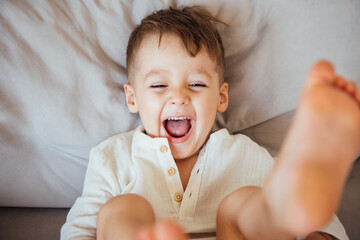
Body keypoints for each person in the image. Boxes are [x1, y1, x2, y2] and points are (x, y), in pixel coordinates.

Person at [61, 6, 360, 240]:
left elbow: (309, 202)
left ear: (220, 97)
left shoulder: (242, 155)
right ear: (132, 98)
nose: (179, 96)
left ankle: (309, 153)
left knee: (246, 204)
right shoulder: (113, 157)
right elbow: (80, 229)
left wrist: (319, 234)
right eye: (158, 86)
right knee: (122, 208)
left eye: (196, 84)